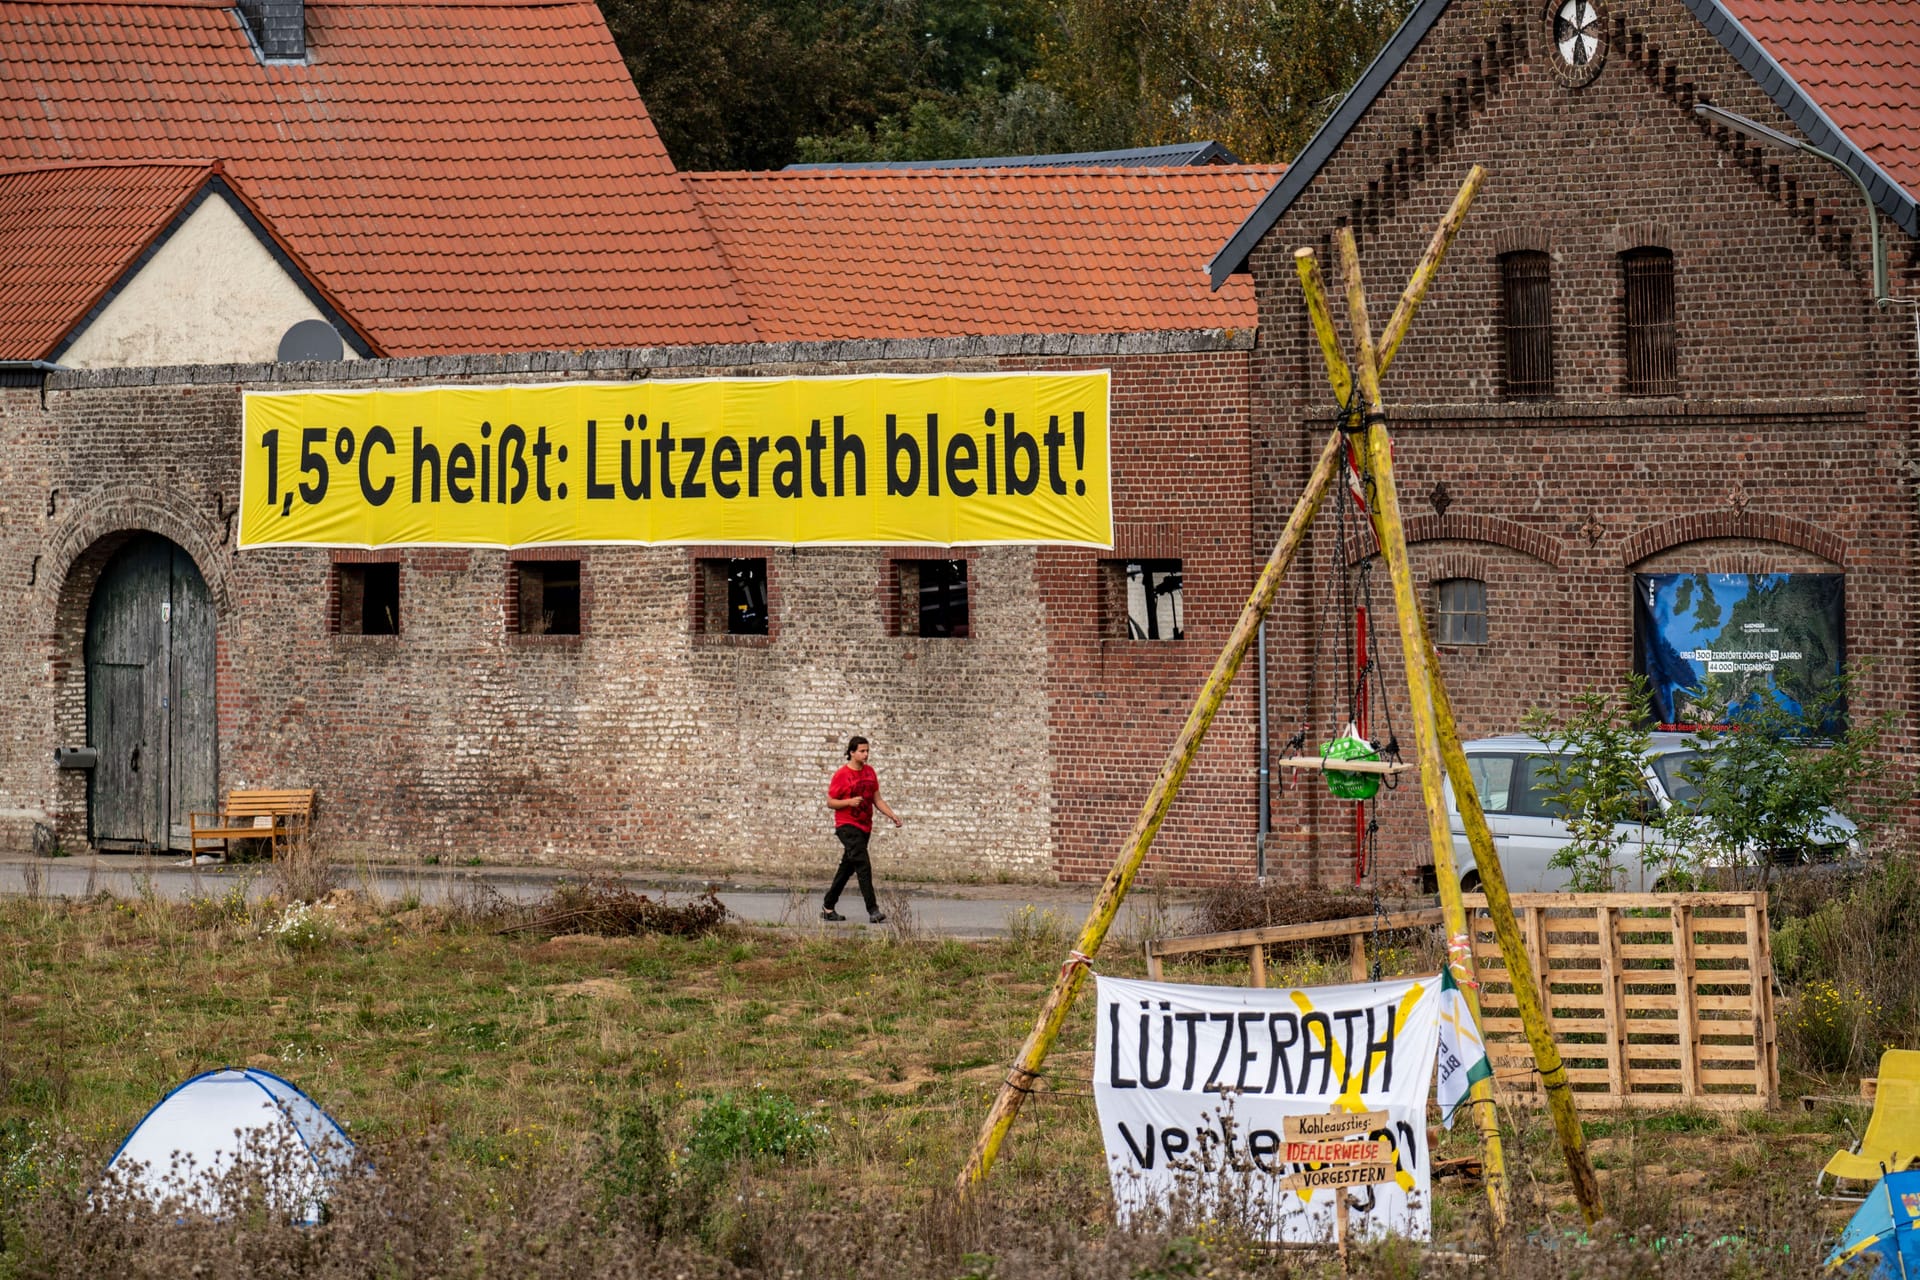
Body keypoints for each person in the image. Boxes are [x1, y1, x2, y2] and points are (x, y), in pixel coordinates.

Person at [822, 735, 901, 923]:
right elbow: (830, 802)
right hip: (847, 826)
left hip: (865, 826)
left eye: (867, 751)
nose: (866, 754)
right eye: (862, 751)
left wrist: (892, 815)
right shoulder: (842, 774)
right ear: (852, 753)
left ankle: (828, 907)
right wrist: (849, 802)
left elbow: (877, 799)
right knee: (863, 865)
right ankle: (873, 910)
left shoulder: (870, 772)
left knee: (847, 868)